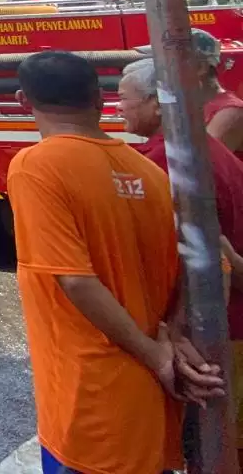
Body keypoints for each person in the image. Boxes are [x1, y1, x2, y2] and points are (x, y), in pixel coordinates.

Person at [8, 51, 224, 474]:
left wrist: (156, 355)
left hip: (91, 407)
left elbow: (76, 281)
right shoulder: (149, 172)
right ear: (99, 99)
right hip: (150, 404)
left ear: (22, 100)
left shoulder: (36, 166)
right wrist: (171, 333)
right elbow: (198, 264)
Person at [119, 56, 243, 466]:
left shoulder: (160, 162)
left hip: (209, 335)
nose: (118, 108)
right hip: (226, 325)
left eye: (124, 98)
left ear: (157, 104)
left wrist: (170, 328)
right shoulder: (207, 148)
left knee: (211, 447)